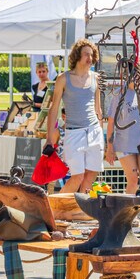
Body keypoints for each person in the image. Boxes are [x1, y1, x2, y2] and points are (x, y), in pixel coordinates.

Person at [46, 39, 103, 193]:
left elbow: (98, 110)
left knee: (90, 176)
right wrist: (49, 138)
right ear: (77, 56)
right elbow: (54, 108)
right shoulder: (63, 78)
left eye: (92, 55)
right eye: (86, 54)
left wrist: (104, 138)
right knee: (77, 176)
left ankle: (80, 211)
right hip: (74, 132)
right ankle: (55, 208)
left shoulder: (96, 78)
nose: (90, 58)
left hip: (94, 131)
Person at [105, 62, 140, 194]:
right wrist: (109, 147)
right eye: (137, 73)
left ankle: (139, 209)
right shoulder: (120, 94)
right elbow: (111, 122)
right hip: (125, 144)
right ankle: (129, 211)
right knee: (133, 180)